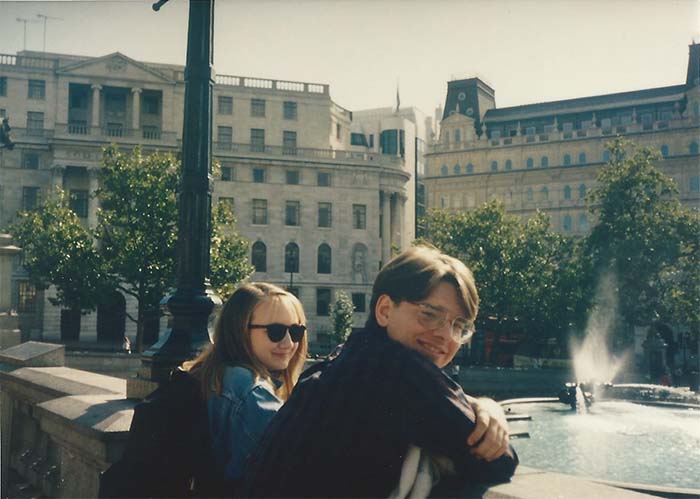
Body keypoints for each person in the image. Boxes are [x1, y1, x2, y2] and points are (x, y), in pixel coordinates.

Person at [243, 246, 518, 498]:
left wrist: (478, 403)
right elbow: (501, 461)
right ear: (385, 310)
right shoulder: (398, 369)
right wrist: (486, 408)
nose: (446, 335)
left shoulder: (346, 359)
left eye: (459, 325)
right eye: (429, 314)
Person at [182, 283, 308, 489]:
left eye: (296, 332)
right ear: (240, 330)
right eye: (275, 332)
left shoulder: (213, 372)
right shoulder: (251, 390)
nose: (288, 343)